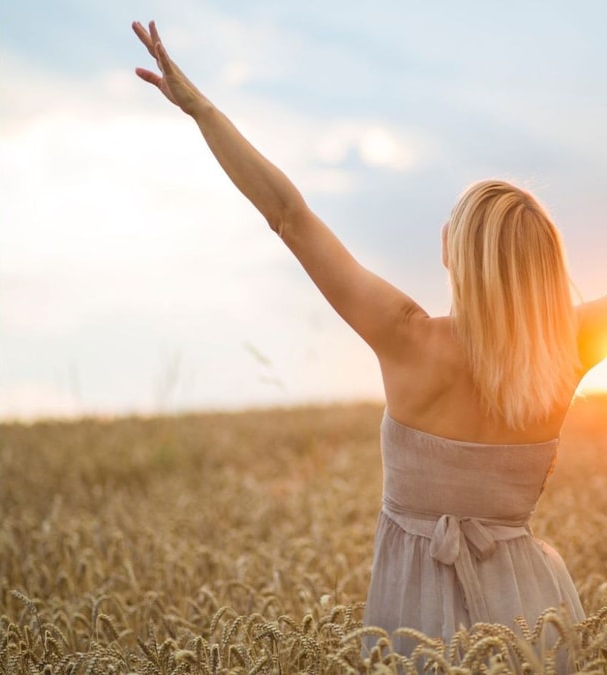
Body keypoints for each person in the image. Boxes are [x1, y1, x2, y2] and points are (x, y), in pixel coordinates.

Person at [132, 19, 597, 655]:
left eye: (450, 222)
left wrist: (202, 110)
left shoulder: (407, 338)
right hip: (532, 620)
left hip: (414, 620)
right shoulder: (564, 349)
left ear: (458, 253)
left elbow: (289, 218)